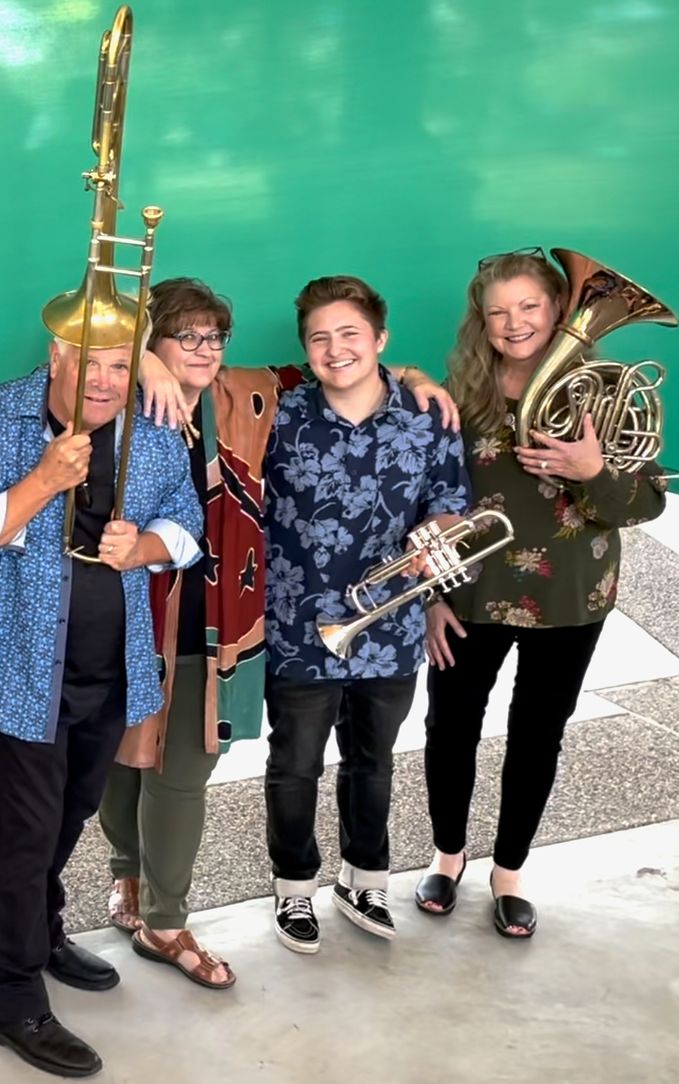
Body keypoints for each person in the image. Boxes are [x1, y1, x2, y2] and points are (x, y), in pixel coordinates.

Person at [101, 279, 460, 987]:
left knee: (191, 768)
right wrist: (141, 362)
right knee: (123, 754)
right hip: (139, 605)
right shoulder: (121, 394)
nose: (203, 349)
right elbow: (79, 360)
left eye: (213, 336)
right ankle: (136, 876)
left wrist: (414, 376)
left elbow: (343, 369)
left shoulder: (254, 394)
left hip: (225, 613)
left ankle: (174, 916)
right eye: (185, 337)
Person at [0, 310, 203, 1078]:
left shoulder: (153, 430)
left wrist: (144, 547)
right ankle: (8, 993)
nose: (107, 382)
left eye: (121, 365)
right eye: (91, 363)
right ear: (56, 355)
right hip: (21, 671)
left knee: (70, 813)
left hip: (113, 672)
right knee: (22, 834)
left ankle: (41, 931)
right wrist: (42, 483)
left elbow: (187, 526)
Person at [417, 248, 668, 937]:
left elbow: (645, 504)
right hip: (471, 594)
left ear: (558, 309)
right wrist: (431, 595)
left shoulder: (601, 391)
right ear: (482, 320)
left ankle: (509, 872)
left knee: (537, 735)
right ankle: (447, 856)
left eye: (529, 306)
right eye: (498, 311)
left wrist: (593, 470)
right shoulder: (461, 393)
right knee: (449, 728)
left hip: (571, 598)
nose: (514, 322)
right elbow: (425, 501)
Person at [263, 276, 471, 954]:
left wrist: (437, 536)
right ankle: (294, 885)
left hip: (391, 626)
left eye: (350, 333)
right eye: (319, 338)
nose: (335, 349)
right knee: (295, 764)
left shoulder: (427, 414)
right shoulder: (279, 411)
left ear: (381, 339)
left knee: (372, 761)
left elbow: (451, 503)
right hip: (297, 621)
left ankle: (365, 878)